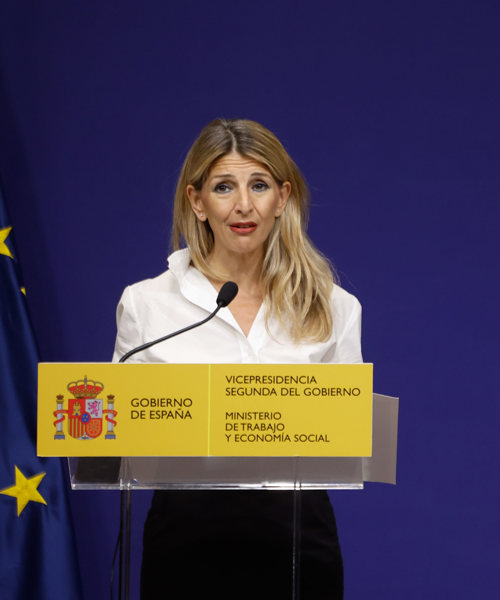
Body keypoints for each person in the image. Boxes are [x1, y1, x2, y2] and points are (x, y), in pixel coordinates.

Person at [113, 118, 361, 598]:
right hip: (184, 535)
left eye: (260, 185)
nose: (244, 205)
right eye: (224, 186)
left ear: (282, 199)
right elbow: (121, 435)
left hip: (297, 537)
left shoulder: (334, 305)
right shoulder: (145, 303)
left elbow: (345, 439)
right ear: (197, 201)